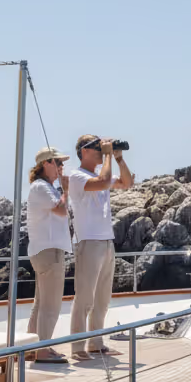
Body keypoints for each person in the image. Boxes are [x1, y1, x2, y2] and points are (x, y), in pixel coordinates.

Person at [67, 134, 133, 359]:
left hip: (106, 240)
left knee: (102, 298)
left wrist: (119, 158)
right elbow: (104, 182)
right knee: (84, 298)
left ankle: (96, 343)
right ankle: (77, 347)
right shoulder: (76, 176)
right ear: (84, 151)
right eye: (96, 147)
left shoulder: (99, 174)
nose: (100, 150)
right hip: (89, 241)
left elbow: (127, 183)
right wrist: (107, 157)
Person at [24, 146, 72, 363]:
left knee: (41, 303)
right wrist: (66, 190)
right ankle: (42, 350)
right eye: (58, 163)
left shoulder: (42, 187)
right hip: (49, 251)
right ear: (46, 163)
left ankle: (33, 347)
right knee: (50, 305)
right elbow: (61, 210)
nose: (61, 167)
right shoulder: (42, 188)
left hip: (44, 250)